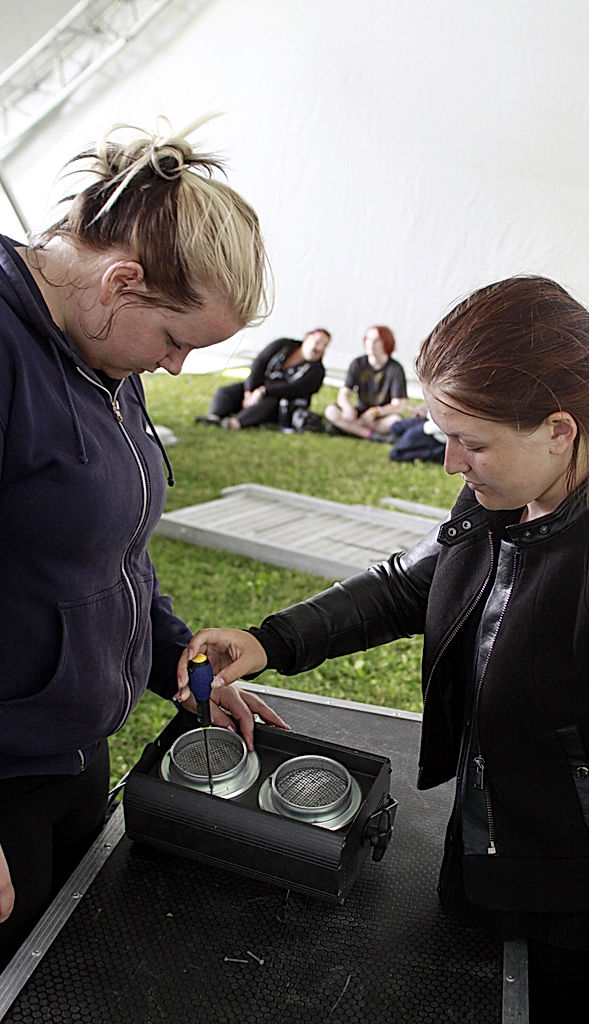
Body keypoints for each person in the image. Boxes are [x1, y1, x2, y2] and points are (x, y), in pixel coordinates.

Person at [177, 276, 589, 1024]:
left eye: (471, 443)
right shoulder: (496, 501)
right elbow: (402, 586)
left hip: (578, 915)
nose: (449, 463)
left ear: (559, 430)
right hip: (479, 860)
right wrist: (270, 640)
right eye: (443, 433)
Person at [0, 116, 288, 970]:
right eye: (175, 342)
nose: (172, 370)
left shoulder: (103, 353)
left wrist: (176, 662)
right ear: (122, 281)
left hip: (73, 750)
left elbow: (111, 546)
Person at [195, 328, 331, 430]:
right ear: (307, 338)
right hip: (257, 388)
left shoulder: (317, 371)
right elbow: (259, 363)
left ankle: (235, 423)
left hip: (281, 400)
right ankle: (214, 417)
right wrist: (249, 390)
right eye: (318, 341)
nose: (319, 348)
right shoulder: (283, 345)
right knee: (226, 392)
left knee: (268, 404)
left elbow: (293, 389)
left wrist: (263, 392)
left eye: (324, 346)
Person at [324, 324, 407, 440]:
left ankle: (348, 429)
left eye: (376, 340)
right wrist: (347, 407)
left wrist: (375, 412)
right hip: (359, 414)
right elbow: (344, 392)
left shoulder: (395, 369)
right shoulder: (358, 363)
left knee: (395, 421)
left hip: (380, 416)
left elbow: (399, 405)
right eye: (368, 339)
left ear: (386, 342)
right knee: (331, 411)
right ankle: (371, 435)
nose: (371, 344)